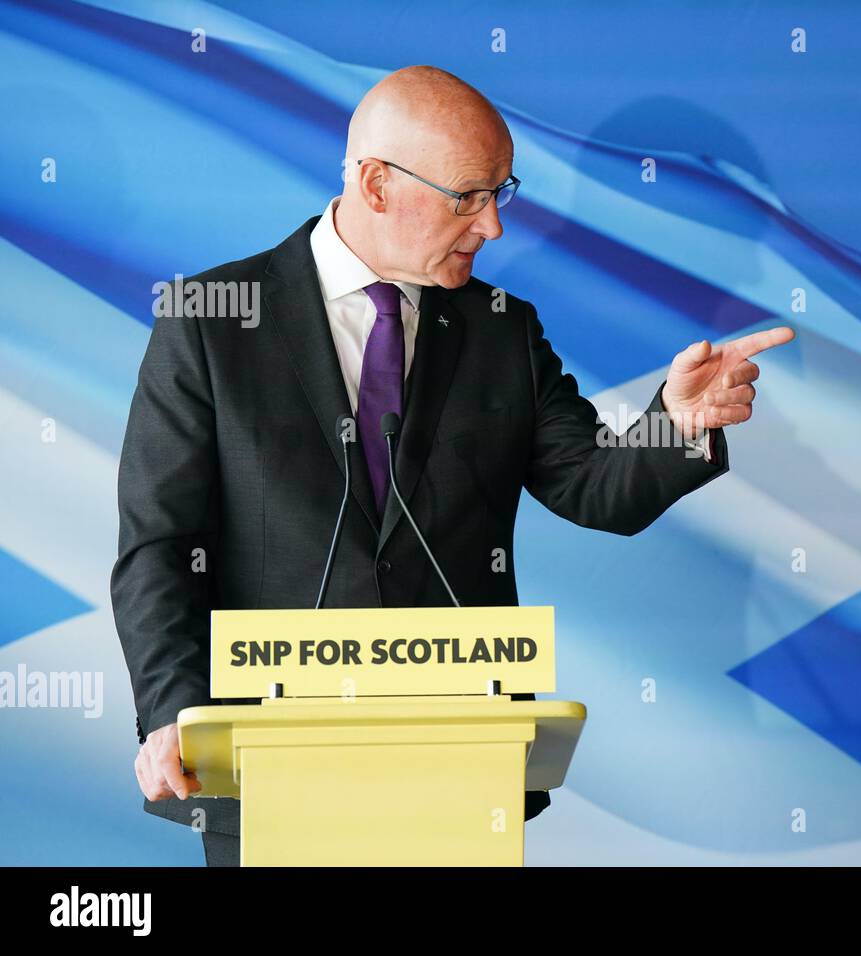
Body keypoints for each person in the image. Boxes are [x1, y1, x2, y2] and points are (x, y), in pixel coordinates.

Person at [111, 65, 794, 867]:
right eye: (468, 196)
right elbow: (158, 546)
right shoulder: (210, 321)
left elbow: (592, 487)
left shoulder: (501, 330)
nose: (492, 227)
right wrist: (177, 714)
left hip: (455, 770)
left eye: (502, 194)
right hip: (266, 771)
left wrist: (676, 424)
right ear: (374, 183)